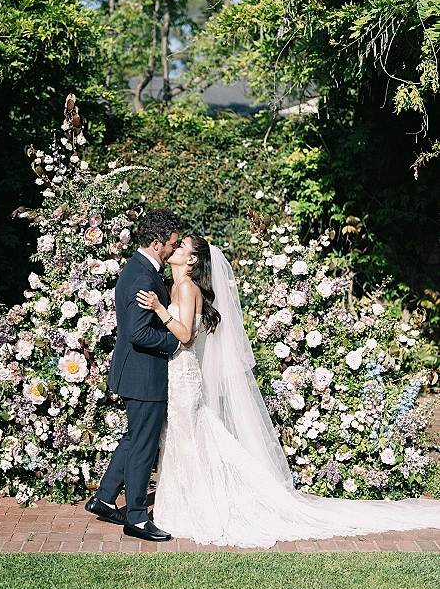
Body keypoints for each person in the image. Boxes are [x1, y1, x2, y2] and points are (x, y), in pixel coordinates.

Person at [136, 235, 440, 549]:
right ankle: (181, 508)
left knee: (187, 442)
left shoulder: (186, 288)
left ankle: (197, 512)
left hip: (185, 377)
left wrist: (159, 309)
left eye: (181, 245)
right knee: (181, 442)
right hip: (176, 374)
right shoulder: (175, 286)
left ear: (191, 260)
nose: (175, 247)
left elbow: (185, 336)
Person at [86, 209, 185, 542]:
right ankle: (138, 518)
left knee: (134, 438)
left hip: (135, 372)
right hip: (145, 376)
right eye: (172, 244)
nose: (174, 249)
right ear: (157, 244)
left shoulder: (140, 268)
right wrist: (173, 343)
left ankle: (103, 498)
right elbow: (140, 334)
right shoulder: (143, 277)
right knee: (143, 445)